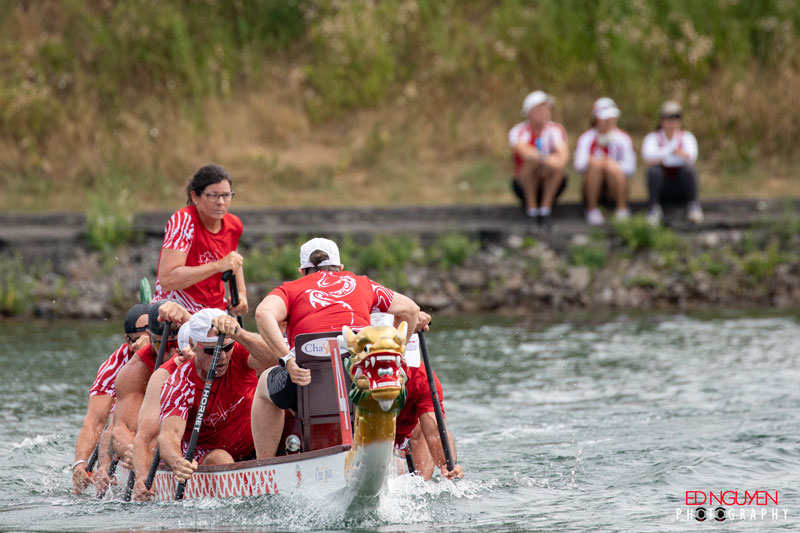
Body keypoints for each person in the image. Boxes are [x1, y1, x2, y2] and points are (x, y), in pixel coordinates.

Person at [251, 237, 462, 483]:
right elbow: (411, 310)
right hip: (363, 386)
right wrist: (397, 352)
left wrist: (287, 360)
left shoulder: (290, 289)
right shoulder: (361, 283)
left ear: (302, 271)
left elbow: (262, 313)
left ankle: (264, 469)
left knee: (265, 383)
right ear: (340, 268)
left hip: (305, 387)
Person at [158, 309, 276, 484]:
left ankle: (268, 465)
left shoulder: (239, 352)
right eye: (211, 351)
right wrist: (177, 463)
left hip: (259, 448)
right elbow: (168, 436)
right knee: (222, 458)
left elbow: (275, 358)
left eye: (226, 347)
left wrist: (239, 334)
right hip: (209, 456)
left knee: (276, 378)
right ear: (193, 345)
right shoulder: (180, 384)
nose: (221, 357)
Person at [103, 300, 187, 493]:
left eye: (176, 343)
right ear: (149, 338)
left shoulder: (198, 353)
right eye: (162, 343)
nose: (172, 352)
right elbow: (120, 429)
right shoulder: (135, 371)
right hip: (155, 435)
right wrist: (132, 451)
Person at [72, 303, 150, 494]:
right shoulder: (114, 366)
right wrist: (80, 464)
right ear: (127, 340)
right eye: (136, 341)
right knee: (113, 422)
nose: (140, 347)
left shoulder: (171, 350)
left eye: (147, 340)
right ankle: (105, 471)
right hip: (128, 427)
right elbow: (94, 421)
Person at [152, 163, 248, 315]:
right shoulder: (183, 221)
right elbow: (167, 280)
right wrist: (217, 266)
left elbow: (234, 261)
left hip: (215, 313)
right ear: (195, 196)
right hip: (176, 311)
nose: (221, 202)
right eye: (213, 195)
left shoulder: (234, 225)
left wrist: (242, 296)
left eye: (226, 195)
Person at [508, 90, 570, 227]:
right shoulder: (518, 131)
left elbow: (563, 157)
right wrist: (547, 159)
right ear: (529, 112)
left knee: (555, 168)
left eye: (547, 108)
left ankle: (545, 210)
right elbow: (525, 153)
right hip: (523, 183)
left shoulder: (556, 130)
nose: (545, 112)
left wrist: (547, 162)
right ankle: (532, 209)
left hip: (551, 179)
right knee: (531, 164)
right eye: (540, 108)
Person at [574, 98, 636, 226]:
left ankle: (621, 209)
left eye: (612, 117)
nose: (609, 121)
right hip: (592, 185)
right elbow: (578, 165)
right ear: (596, 118)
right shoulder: (587, 138)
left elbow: (631, 168)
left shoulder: (623, 139)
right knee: (596, 165)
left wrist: (610, 164)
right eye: (605, 118)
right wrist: (596, 162)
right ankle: (592, 210)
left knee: (611, 166)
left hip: (615, 185)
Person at [641, 101, 703, 225]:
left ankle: (692, 205)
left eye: (675, 119)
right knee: (653, 172)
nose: (671, 123)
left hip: (680, 185)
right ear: (661, 120)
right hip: (662, 186)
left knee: (688, 171)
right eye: (667, 119)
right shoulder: (652, 138)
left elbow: (691, 157)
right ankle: (654, 208)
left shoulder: (687, 137)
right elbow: (648, 158)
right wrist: (673, 152)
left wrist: (663, 156)